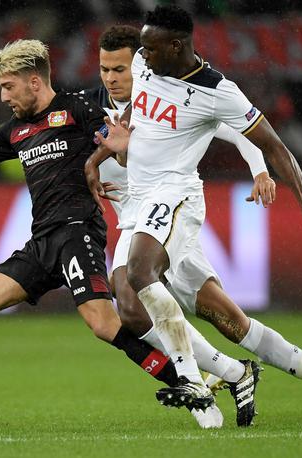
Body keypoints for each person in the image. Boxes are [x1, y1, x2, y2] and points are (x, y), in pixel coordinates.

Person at [0, 39, 248, 431]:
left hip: (77, 232)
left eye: (8, 86)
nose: (3, 96)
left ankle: (190, 386)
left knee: (104, 325)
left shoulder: (78, 110)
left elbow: (125, 146)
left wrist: (118, 154)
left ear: (33, 81)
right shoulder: (13, 131)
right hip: (42, 241)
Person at [86, 8, 302, 423]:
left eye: (149, 47)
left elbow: (274, 145)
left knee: (139, 275)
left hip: (177, 197)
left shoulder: (218, 92)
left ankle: (192, 383)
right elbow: (135, 112)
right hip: (141, 207)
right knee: (220, 321)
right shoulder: (147, 64)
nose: (140, 56)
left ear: (177, 46)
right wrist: (100, 156)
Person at [85, 25, 271, 427]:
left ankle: (201, 380)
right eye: (104, 69)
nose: (111, 78)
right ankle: (234, 372)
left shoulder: (166, 99)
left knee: (214, 311)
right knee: (132, 312)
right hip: (132, 219)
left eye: (120, 69)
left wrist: (259, 171)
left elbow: (240, 133)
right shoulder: (96, 107)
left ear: (141, 64)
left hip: (169, 209)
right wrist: (92, 165)